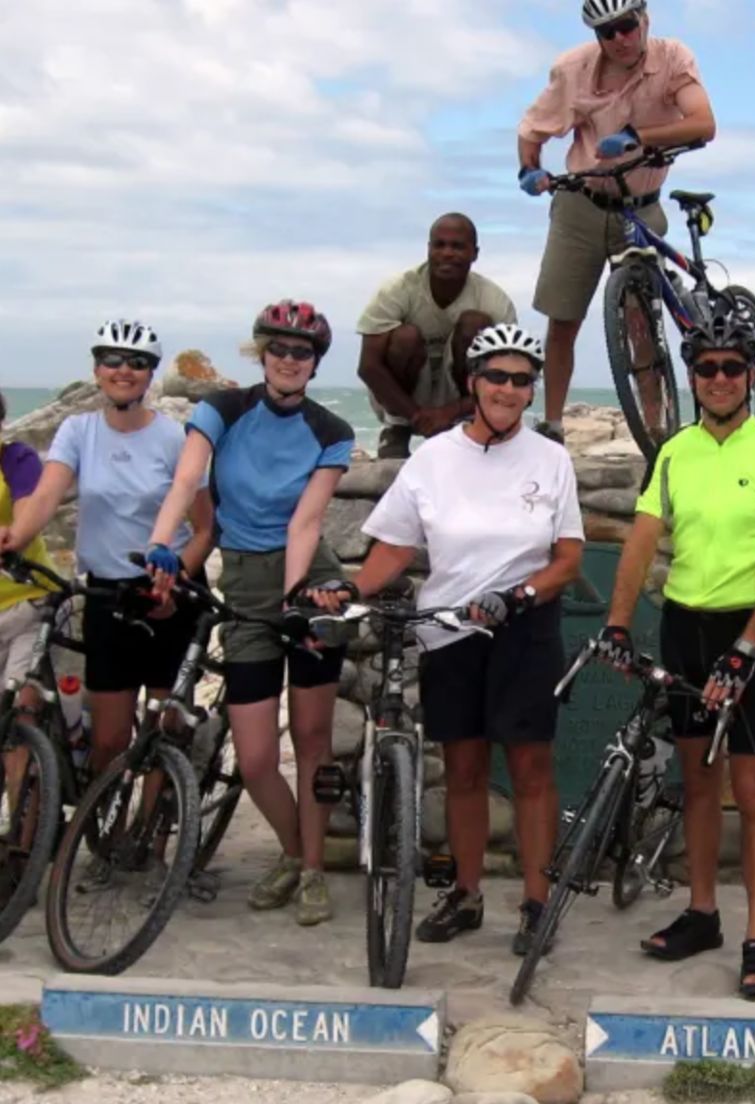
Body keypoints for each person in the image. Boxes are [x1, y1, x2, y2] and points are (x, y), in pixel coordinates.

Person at [313, 323, 584, 954]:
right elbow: (396, 546)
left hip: (524, 624)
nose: (509, 390)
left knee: (530, 767)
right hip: (450, 631)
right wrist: (353, 591)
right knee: (462, 769)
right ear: (473, 382)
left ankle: (537, 904)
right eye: (497, 377)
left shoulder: (551, 459)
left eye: (522, 380)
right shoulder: (432, 459)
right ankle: (466, 894)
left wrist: (517, 595)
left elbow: (568, 558)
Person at [599, 306, 755, 999]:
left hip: (745, 632)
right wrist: (620, 623)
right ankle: (702, 913)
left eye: (732, 367)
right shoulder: (674, 451)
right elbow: (642, 538)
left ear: (752, 376)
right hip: (684, 627)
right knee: (696, 783)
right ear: (691, 376)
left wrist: (748, 648)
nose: (719, 378)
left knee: (750, 791)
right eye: (706, 368)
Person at [147, 300, 353, 928]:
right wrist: (163, 545)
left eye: (303, 352)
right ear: (261, 353)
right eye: (279, 348)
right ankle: (292, 852)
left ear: (316, 364)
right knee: (257, 754)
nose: (290, 360)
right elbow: (187, 482)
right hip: (241, 577)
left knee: (313, 740)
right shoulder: (222, 409)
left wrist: (295, 598)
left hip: (309, 582)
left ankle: (312, 869)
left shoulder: (331, 431)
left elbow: (307, 522)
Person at [0, 322, 214, 791]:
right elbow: (45, 496)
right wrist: (14, 538)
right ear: (97, 370)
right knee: (110, 739)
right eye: (113, 360)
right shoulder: (78, 430)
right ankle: (108, 834)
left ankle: (153, 850)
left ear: (150, 374)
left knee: (165, 730)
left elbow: (204, 528)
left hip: (168, 593)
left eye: (137, 363)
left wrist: (178, 579)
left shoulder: (175, 438)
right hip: (104, 592)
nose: (124, 370)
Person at [517, 0, 716, 444]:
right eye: (607, 32)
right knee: (562, 321)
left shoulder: (673, 57)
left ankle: (656, 430)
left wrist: (636, 138)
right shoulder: (573, 69)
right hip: (581, 205)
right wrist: (528, 169)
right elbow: (531, 131)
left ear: (645, 19)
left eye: (627, 26)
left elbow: (703, 123)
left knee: (640, 326)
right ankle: (551, 423)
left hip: (642, 204)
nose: (620, 39)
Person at [357, 213, 517, 459]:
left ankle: (467, 424)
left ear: (475, 253)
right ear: (429, 249)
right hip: (403, 398)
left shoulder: (494, 300)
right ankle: (397, 428)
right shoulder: (398, 290)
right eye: (439, 245)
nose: (447, 253)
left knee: (475, 324)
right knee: (405, 337)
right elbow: (368, 367)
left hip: (461, 394)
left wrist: (450, 412)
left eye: (457, 246)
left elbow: (508, 373)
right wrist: (415, 416)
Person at [0, 389, 58, 814]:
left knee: (20, 717)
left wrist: (14, 537)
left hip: (26, 604)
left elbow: (28, 508)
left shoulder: (16, 460)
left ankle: (19, 841)